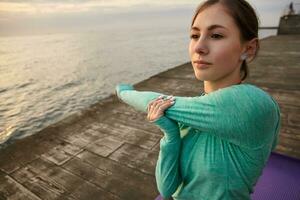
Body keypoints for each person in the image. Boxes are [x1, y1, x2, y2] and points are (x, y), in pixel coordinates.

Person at [115, 0, 281, 199]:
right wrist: (170, 135)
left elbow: (153, 101)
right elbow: (167, 189)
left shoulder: (254, 104)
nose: (199, 47)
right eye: (195, 35)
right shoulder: (194, 115)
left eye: (216, 35)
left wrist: (123, 91)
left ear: (248, 49)